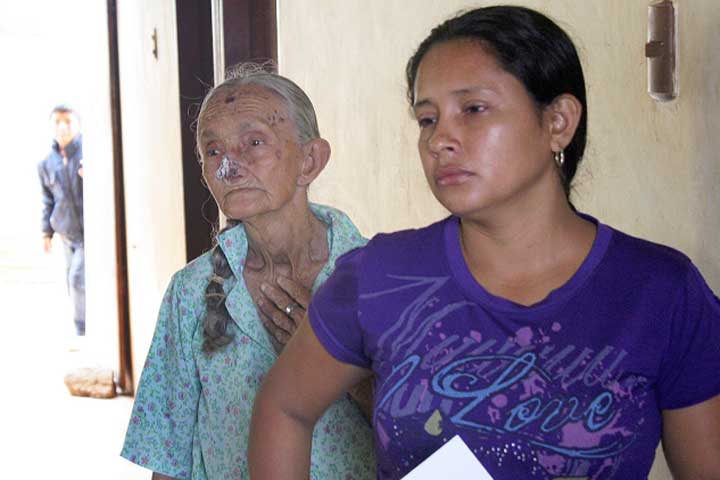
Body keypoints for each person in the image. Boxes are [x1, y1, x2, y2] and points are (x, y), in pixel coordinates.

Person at [248, 6, 720, 479]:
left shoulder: (661, 292)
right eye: (427, 119)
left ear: (558, 121)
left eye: (472, 109)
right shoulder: (379, 277)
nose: (439, 141)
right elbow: (284, 406)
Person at [120, 64, 375, 480]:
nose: (229, 168)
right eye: (214, 151)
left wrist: (328, 353)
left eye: (253, 142)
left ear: (310, 160)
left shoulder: (376, 277)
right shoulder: (191, 292)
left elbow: (425, 432)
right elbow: (168, 457)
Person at [38, 104, 85, 337]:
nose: (63, 126)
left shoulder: (88, 153)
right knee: (72, 281)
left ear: (77, 124)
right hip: (67, 234)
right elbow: (48, 199)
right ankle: (81, 325)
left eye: (68, 121)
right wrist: (46, 232)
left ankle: (82, 329)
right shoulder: (46, 163)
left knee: (78, 279)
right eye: (57, 122)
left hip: (89, 233)